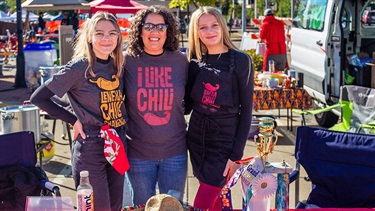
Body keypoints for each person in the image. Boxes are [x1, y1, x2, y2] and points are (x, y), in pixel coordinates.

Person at [30, 12, 127, 211]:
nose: (106, 38)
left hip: (117, 141)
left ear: (118, 37)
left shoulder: (119, 66)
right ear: (90, 37)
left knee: (116, 206)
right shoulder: (79, 67)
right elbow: (38, 98)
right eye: (99, 33)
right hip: (91, 145)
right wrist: (73, 120)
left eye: (111, 33)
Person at [185, 6, 254, 210]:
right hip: (196, 138)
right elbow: (187, 106)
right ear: (196, 32)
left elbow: (247, 110)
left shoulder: (241, 61)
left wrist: (236, 154)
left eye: (214, 25)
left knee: (203, 200)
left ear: (222, 26)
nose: (210, 31)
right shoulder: (194, 62)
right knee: (216, 200)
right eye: (203, 27)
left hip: (224, 142)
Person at [123, 5, 189, 206]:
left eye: (161, 26)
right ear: (139, 30)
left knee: (173, 207)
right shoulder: (126, 61)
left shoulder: (180, 61)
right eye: (149, 26)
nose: (155, 32)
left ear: (168, 31)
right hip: (138, 154)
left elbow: (191, 99)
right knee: (143, 207)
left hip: (175, 153)